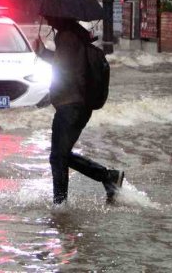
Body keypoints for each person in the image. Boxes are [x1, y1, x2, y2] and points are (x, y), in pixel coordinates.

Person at [34, 15, 124, 205]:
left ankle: (60, 204)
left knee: (58, 157)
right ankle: (108, 177)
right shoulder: (76, 35)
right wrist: (43, 52)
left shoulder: (67, 36)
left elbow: (65, 68)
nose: (46, 18)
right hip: (79, 106)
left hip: (70, 106)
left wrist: (43, 53)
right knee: (62, 154)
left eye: (48, 15)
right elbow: (68, 64)